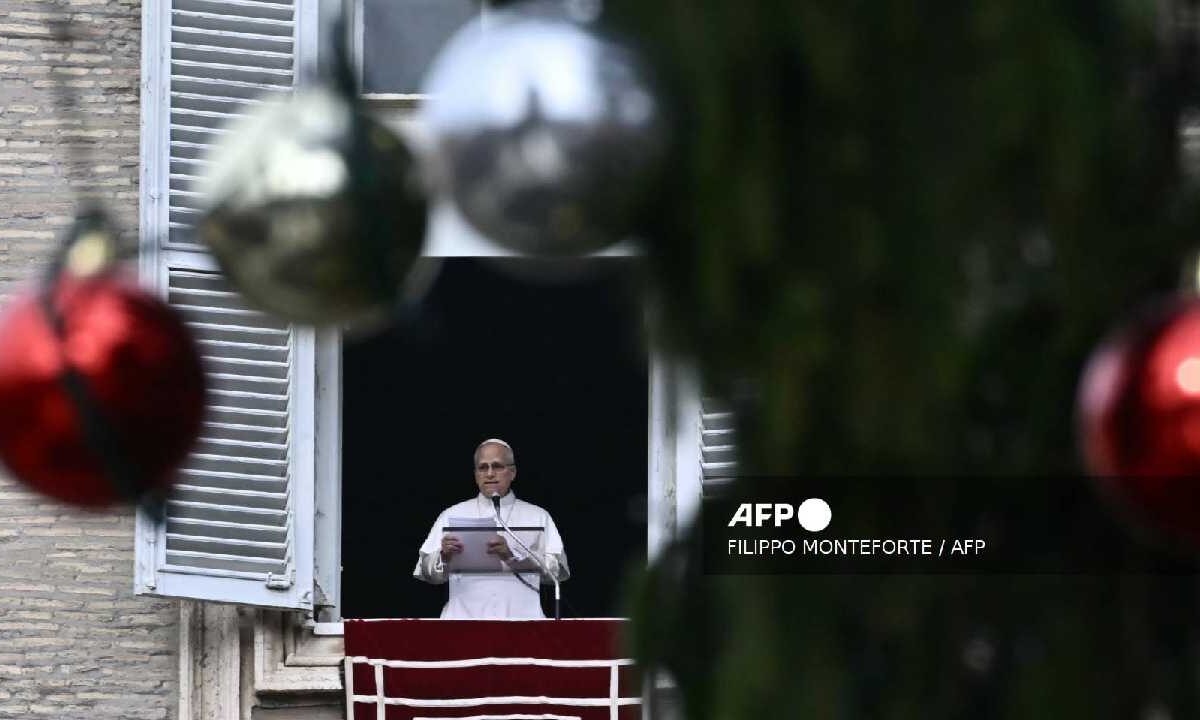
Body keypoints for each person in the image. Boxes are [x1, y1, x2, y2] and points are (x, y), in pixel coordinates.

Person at [413, 438, 570, 618]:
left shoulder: (539, 516)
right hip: (463, 622)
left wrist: (514, 556)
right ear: (475, 475)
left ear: (512, 472)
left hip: (524, 622)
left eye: (497, 466)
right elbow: (426, 572)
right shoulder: (450, 515)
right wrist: (443, 557)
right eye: (482, 467)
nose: (489, 474)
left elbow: (558, 571)